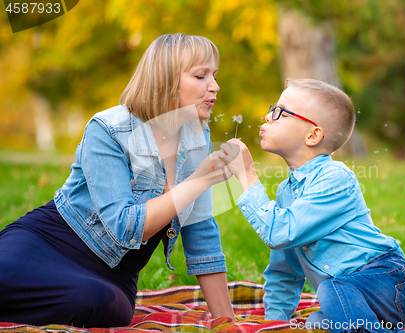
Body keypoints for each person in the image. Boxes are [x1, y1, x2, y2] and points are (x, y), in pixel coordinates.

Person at [0, 33, 236, 327]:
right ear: (166, 80)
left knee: (100, 303)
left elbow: (201, 233)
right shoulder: (109, 129)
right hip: (47, 244)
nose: (214, 86)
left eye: (214, 75)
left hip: (113, 276)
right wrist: (199, 181)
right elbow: (122, 228)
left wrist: (228, 322)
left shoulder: (196, 136)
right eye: (201, 76)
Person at [219, 79, 405, 333]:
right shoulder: (287, 192)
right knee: (315, 323)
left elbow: (279, 232)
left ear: (313, 135)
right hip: (356, 295)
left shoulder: (336, 179)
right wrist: (275, 323)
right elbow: (284, 272)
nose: (267, 116)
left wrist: (247, 174)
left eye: (279, 112)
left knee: (331, 290)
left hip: (390, 283)